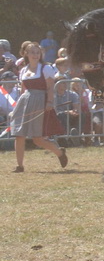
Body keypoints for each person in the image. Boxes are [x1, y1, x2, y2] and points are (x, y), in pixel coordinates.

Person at [9, 41, 68, 171]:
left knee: (38, 139)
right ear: (26, 54)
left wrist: (49, 102)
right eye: (32, 52)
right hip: (25, 101)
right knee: (19, 134)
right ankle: (20, 165)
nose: (35, 55)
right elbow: (23, 90)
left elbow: (50, 87)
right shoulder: (23, 70)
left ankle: (60, 153)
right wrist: (19, 106)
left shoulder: (45, 68)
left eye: (37, 52)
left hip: (40, 101)